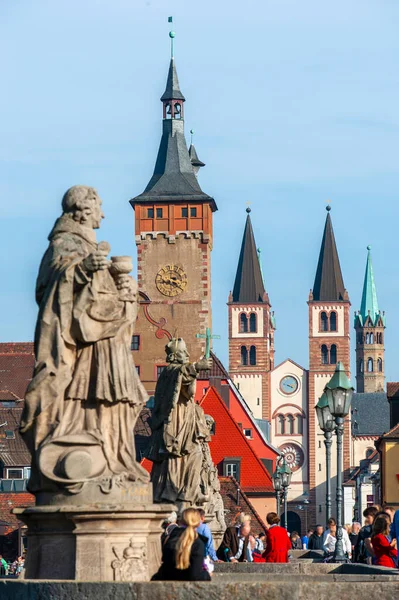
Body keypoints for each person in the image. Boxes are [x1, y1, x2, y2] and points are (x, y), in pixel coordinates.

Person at [152, 508, 211, 581]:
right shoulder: (198, 544)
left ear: (180, 521)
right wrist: (207, 574)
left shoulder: (170, 539)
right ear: (199, 523)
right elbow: (195, 576)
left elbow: (165, 567)